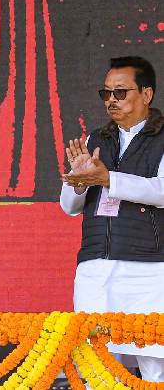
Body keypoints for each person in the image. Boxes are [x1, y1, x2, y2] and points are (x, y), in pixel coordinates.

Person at [60, 56, 164, 381]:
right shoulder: (95, 139)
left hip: (147, 267)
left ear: (146, 94)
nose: (112, 101)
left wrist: (109, 180)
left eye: (120, 93)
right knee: (94, 364)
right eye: (106, 94)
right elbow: (69, 206)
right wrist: (77, 179)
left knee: (153, 363)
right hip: (95, 266)